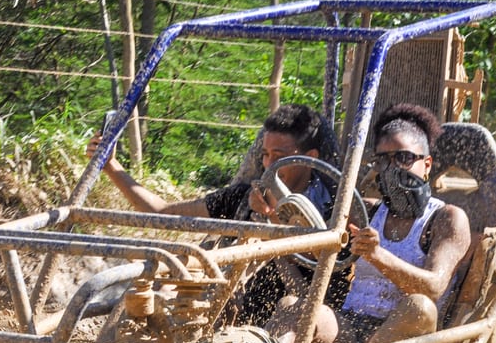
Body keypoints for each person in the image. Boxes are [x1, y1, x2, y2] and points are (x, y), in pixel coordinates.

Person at [268, 103, 472, 343]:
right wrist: (278, 244)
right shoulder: (366, 212)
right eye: (384, 160)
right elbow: (315, 265)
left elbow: (434, 286)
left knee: (420, 307)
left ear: (427, 164)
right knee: (293, 307)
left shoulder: (447, 218)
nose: (393, 169)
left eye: (404, 158)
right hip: (355, 327)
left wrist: (378, 256)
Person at [87, 103, 350, 323]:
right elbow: (160, 211)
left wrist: (269, 220)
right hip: (223, 305)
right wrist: (111, 166)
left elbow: (319, 264)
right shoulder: (243, 198)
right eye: (266, 155)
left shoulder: (335, 210)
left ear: (310, 158)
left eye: (279, 155)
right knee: (150, 292)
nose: (269, 164)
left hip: (285, 321)